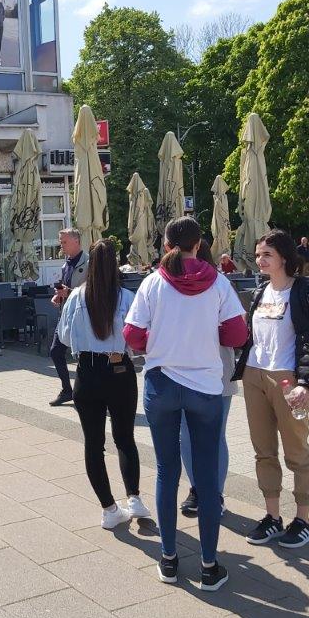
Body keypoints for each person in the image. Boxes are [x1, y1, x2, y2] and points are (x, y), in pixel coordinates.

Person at [124, 216, 247, 592]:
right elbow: (238, 333)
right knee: (207, 477)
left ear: (165, 245)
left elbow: (132, 335)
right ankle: (209, 565)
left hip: (162, 384)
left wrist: (161, 345)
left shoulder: (151, 283)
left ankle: (169, 560)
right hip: (206, 386)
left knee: (166, 472)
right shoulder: (219, 282)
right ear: (200, 244)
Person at [234, 230, 309, 549]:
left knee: (297, 450)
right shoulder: (260, 292)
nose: (260, 260)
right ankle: (272, 516)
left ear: (284, 258)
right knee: (263, 450)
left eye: (266, 255)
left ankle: (303, 519)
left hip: (288, 379)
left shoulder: (303, 291)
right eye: (259, 255)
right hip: (255, 375)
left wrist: (307, 384)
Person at [58, 239, 151, 528]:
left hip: (86, 372)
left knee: (93, 444)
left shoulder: (77, 297)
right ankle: (133, 496)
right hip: (119, 370)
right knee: (124, 438)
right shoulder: (126, 296)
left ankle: (109, 509)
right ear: (115, 265)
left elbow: (63, 336)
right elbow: (137, 338)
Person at [179, 242, 237, 517]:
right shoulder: (169, 285)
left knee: (205, 436)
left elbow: (237, 332)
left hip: (214, 367)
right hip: (187, 370)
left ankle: (213, 493)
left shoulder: (220, 284)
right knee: (191, 436)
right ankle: (200, 490)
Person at [49, 228, 89, 406]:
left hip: (81, 316)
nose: (61, 245)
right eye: (60, 242)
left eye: (64, 242)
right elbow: (66, 288)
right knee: (55, 351)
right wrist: (59, 295)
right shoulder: (66, 263)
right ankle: (67, 390)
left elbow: (91, 292)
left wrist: (69, 292)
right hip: (65, 315)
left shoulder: (88, 262)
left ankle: (88, 392)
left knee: (84, 357)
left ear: (76, 241)